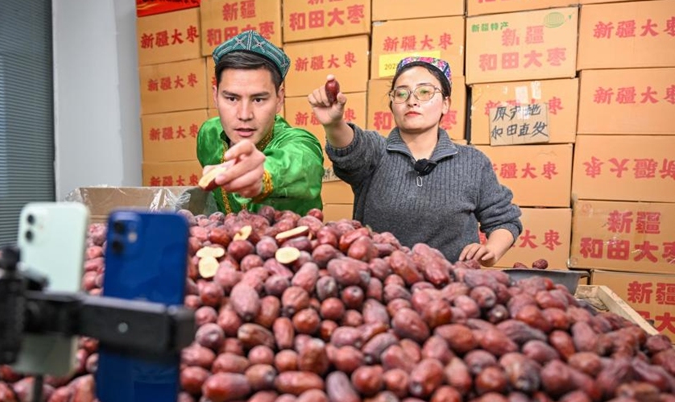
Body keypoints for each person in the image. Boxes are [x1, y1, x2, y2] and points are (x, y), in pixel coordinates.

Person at [308, 56, 522, 266]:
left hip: (455, 288)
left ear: (445, 104)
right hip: (383, 287)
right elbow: (350, 150)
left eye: (424, 92)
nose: (412, 100)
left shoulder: (473, 162)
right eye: (401, 93)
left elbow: (504, 219)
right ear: (392, 105)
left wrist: (491, 250)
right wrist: (335, 124)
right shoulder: (376, 152)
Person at [196, 31, 325, 216]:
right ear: (215, 96)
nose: (244, 114)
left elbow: (302, 162)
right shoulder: (208, 135)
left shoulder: (299, 142)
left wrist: (263, 174)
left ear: (279, 98)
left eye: (258, 99)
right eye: (232, 98)